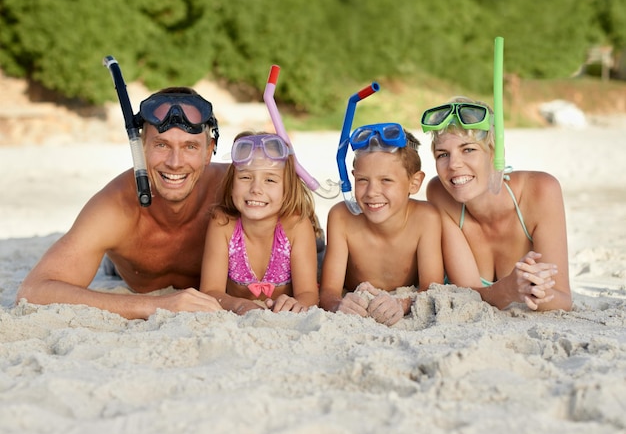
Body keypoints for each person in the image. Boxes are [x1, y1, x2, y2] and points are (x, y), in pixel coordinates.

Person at [16, 87, 229, 319]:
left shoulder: (235, 190)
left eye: (190, 146)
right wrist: (155, 305)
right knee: (109, 260)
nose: (175, 163)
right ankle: (111, 261)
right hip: (125, 272)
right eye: (161, 145)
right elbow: (33, 291)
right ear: (140, 147)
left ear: (209, 151)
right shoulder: (115, 206)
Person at [422, 97, 572, 311]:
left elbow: (563, 301)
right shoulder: (439, 193)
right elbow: (467, 294)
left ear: (495, 153)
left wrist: (535, 289)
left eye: (468, 150)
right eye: (443, 154)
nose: (453, 165)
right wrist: (508, 291)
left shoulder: (540, 191)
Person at [319, 123, 444, 326]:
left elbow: (432, 289)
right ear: (352, 178)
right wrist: (337, 305)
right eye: (362, 180)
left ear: (414, 182)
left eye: (386, 180)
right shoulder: (341, 217)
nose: (371, 192)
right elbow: (328, 292)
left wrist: (402, 304)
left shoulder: (426, 218)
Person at [200, 131, 320, 315]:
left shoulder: (296, 226)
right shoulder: (222, 223)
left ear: (288, 188)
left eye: (270, 180)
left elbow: (308, 294)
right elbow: (210, 291)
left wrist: (296, 304)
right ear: (232, 183)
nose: (256, 189)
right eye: (245, 177)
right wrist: (238, 305)